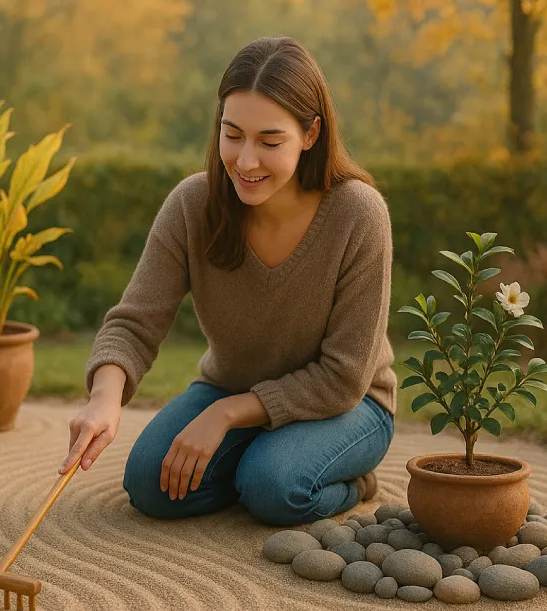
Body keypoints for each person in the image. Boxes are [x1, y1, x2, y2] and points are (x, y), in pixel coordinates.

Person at [58, 36, 397, 526]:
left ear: (310, 134)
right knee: (152, 484)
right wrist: (103, 400)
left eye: (270, 141)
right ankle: (258, 459)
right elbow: (134, 323)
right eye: (232, 134)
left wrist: (224, 417)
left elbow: (343, 377)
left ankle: (347, 479)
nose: (245, 160)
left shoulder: (358, 214)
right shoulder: (192, 205)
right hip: (233, 386)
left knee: (273, 488)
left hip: (349, 405)